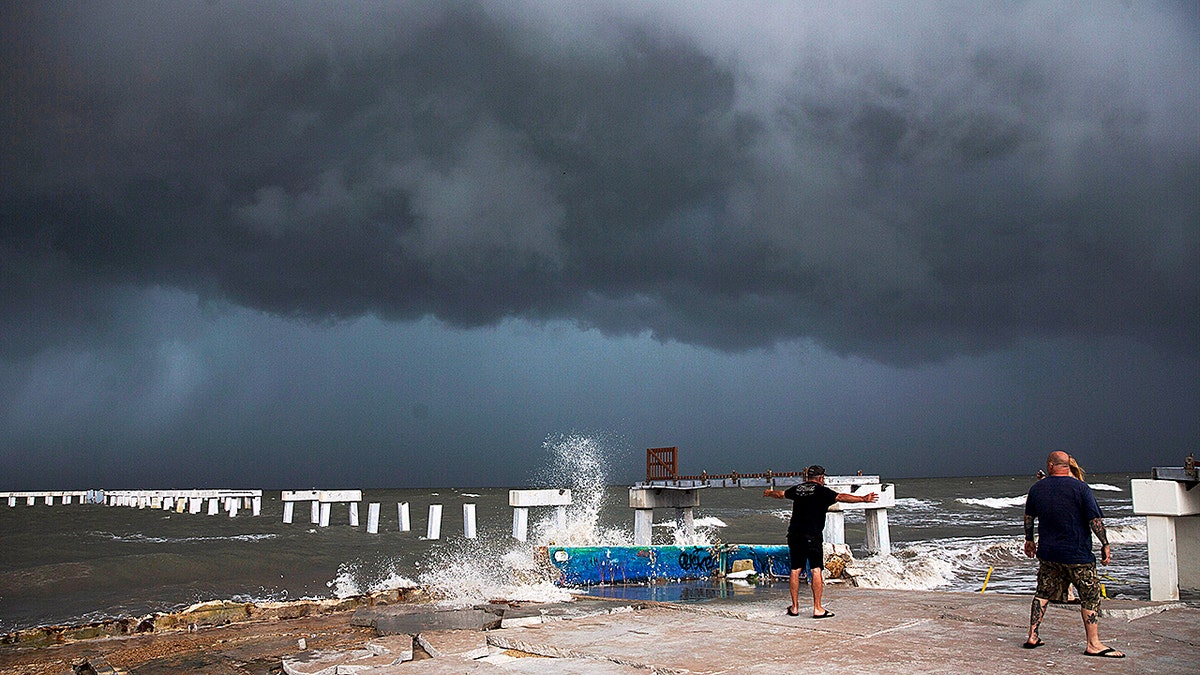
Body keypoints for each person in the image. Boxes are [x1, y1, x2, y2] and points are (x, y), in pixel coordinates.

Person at [1022, 451, 1123, 657]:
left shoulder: (1037, 489)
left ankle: (1033, 635)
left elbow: (1028, 518)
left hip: (1049, 553)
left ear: (1050, 465)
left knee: (1042, 593)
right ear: (1067, 465)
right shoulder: (1081, 488)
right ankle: (1093, 644)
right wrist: (1105, 543)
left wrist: (1029, 540)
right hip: (1077, 554)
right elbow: (1094, 520)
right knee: (1090, 596)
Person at [764, 465, 878, 618]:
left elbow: (780, 494)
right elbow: (842, 497)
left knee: (795, 569)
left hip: (794, 534)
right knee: (816, 569)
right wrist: (863, 499)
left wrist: (769, 493)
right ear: (821, 478)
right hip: (812, 535)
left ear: (808, 477)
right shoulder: (822, 491)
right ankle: (817, 608)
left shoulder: (798, 489)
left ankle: (795, 607)